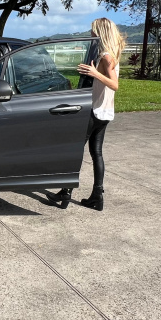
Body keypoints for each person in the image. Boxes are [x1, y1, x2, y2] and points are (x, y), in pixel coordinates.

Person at [52, 18, 122, 211]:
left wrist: (94, 73)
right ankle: (96, 196)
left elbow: (114, 85)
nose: (91, 34)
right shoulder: (111, 54)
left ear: (100, 33)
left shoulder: (106, 57)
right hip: (105, 112)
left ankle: (66, 192)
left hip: (95, 111)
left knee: (75, 150)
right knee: (96, 153)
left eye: (93, 31)